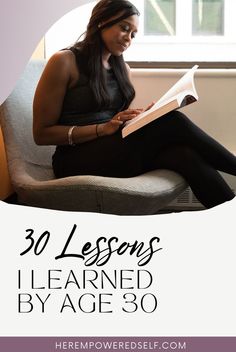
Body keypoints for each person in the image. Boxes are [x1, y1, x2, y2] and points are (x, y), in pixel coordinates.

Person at [33, 0, 236, 209]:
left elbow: (114, 122)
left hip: (112, 152)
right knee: (173, 121)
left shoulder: (122, 69)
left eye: (133, 34)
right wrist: (100, 129)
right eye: (124, 28)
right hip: (74, 160)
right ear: (102, 20)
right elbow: (41, 134)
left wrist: (142, 118)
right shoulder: (64, 61)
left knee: (186, 156)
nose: (128, 38)